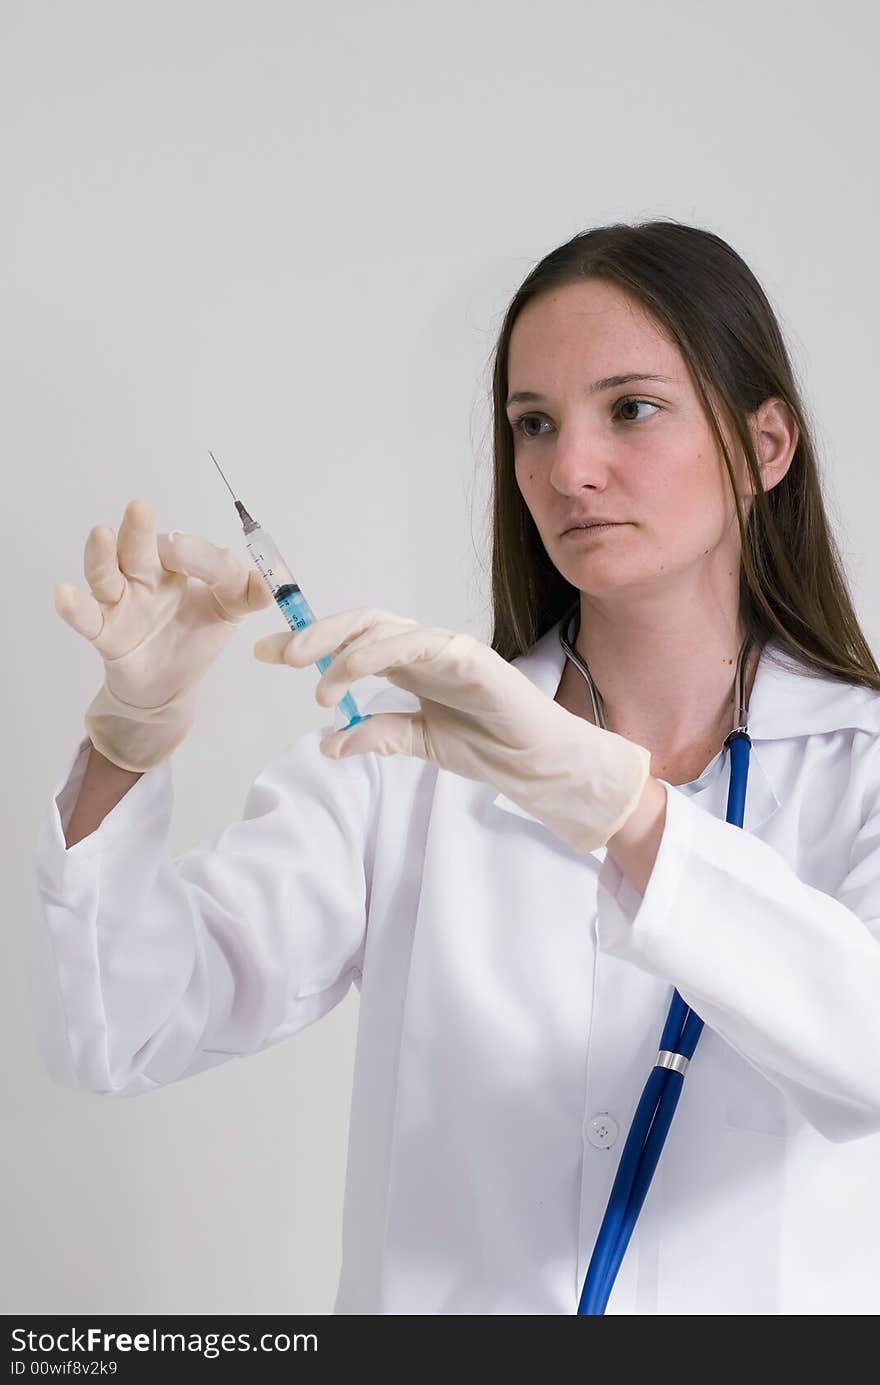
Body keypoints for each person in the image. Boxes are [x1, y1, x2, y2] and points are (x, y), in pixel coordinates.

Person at [34, 219, 880, 1315]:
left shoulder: (857, 765)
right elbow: (124, 1025)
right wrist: (125, 741)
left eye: (630, 408)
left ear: (767, 444)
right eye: (533, 423)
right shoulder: (409, 756)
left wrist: (629, 815)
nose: (568, 468)